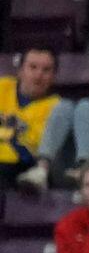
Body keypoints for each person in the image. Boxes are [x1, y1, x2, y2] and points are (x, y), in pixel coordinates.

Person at [1, 46, 65, 191]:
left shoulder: (57, 107)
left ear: (54, 76)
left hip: (20, 167)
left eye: (46, 70)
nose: (38, 75)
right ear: (20, 70)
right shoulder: (2, 86)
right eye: (33, 67)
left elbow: (32, 149)